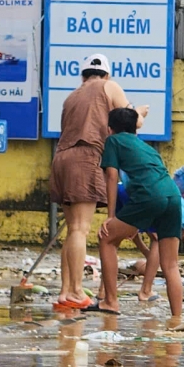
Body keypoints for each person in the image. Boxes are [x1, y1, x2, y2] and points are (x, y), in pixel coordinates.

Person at [47, 53, 130, 310]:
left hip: (61, 158)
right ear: (106, 74)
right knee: (80, 229)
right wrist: (140, 113)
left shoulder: (72, 96)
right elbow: (130, 120)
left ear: (83, 76)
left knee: (73, 229)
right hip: (85, 157)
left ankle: (65, 292)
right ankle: (76, 291)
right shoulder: (109, 86)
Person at [96, 106, 184, 319]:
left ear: (110, 129)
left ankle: (110, 301)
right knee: (171, 264)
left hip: (149, 195)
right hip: (173, 196)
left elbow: (111, 176)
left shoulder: (113, 141)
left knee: (106, 238)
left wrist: (110, 216)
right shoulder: (145, 146)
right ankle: (177, 319)